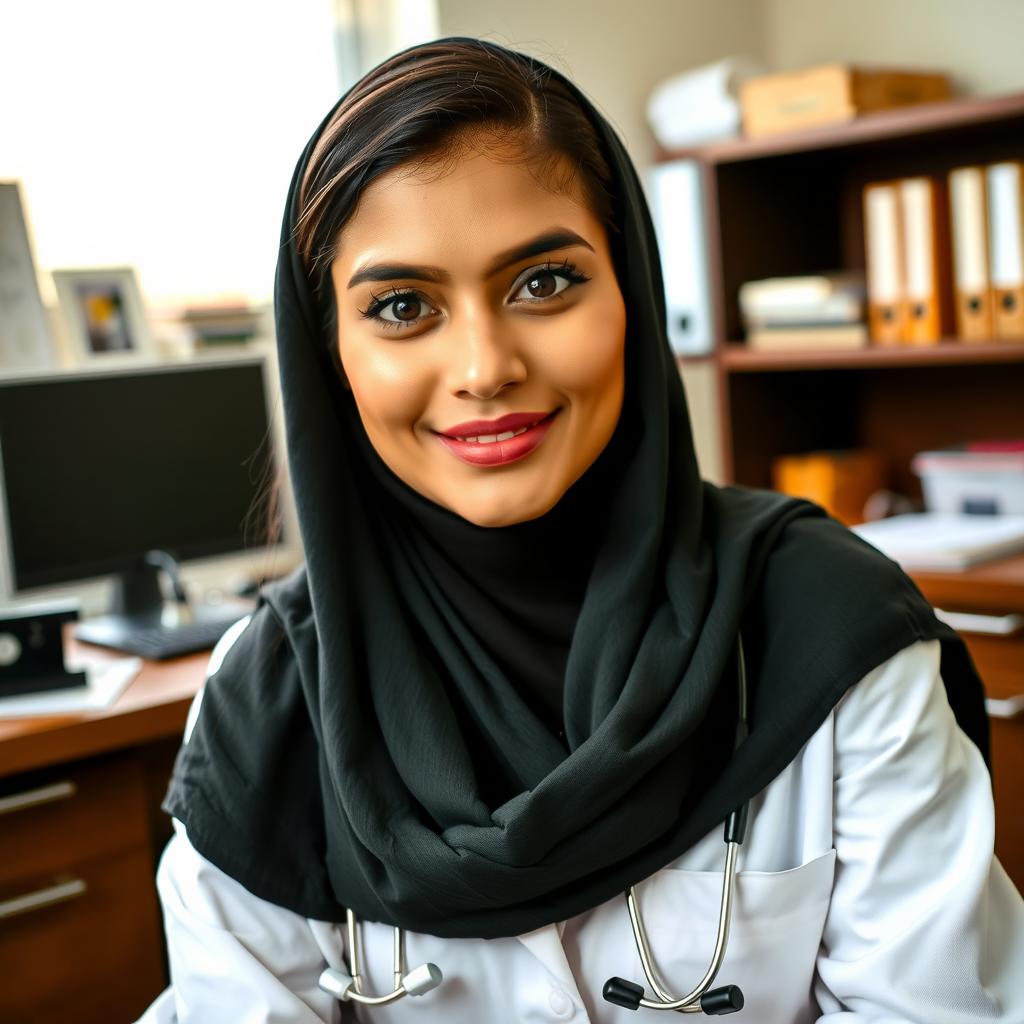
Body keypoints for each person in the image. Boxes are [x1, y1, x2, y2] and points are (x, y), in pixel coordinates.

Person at [138, 37, 1024, 1024]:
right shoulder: (264, 702)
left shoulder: (832, 628)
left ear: (633, 292)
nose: (483, 364)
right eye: (400, 306)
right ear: (328, 355)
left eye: (544, 282)